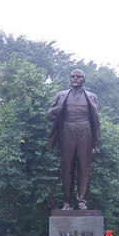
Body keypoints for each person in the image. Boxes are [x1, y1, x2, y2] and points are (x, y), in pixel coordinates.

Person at [46, 68, 101, 210]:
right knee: (67, 168)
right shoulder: (61, 95)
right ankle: (67, 202)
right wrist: (55, 111)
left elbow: (96, 120)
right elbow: (49, 115)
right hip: (66, 133)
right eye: (73, 76)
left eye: (78, 77)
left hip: (85, 133)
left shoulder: (92, 97)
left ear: (84, 79)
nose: (75, 79)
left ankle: (82, 201)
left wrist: (96, 142)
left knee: (84, 168)